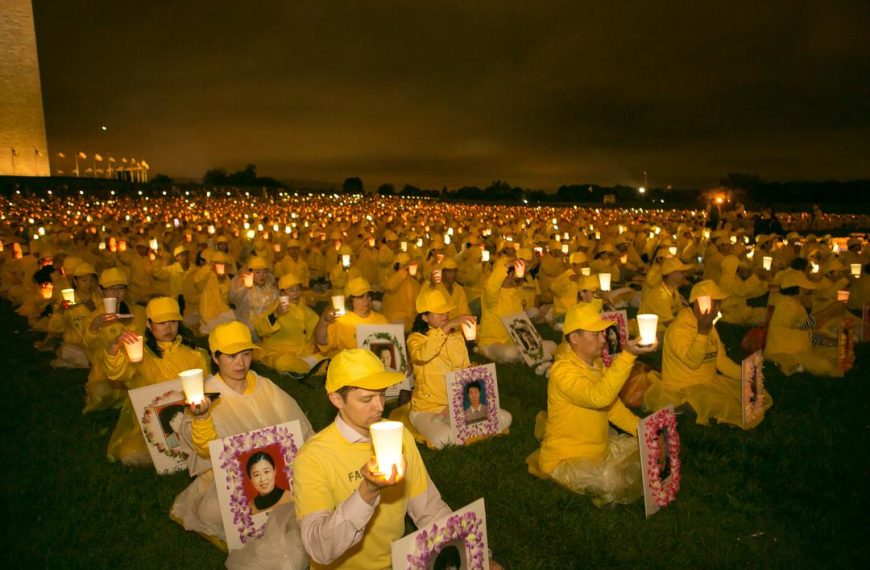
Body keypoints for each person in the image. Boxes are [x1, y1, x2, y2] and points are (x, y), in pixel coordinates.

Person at [292, 349, 455, 569]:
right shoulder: (312, 457)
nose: (379, 406)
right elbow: (319, 548)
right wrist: (367, 491)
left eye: (382, 394)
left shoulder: (399, 435)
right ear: (337, 399)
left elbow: (429, 509)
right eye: (367, 399)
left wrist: (475, 552)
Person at [171, 320, 313, 567]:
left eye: (246, 354)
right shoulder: (205, 395)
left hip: (277, 470)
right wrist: (201, 417)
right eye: (231, 355)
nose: (240, 363)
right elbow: (203, 448)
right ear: (215, 358)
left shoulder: (264, 385)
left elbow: (299, 426)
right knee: (211, 512)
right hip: (234, 477)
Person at [526, 302, 657, 507]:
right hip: (566, 458)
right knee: (614, 481)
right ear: (575, 338)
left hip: (597, 449)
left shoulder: (595, 364)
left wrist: (646, 431)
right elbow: (599, 398)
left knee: (645, 450)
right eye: (595, 334)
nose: (604, 338)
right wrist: (628, 356)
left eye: (603, 333)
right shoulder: (562, 372)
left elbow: (612, 408)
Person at [646, 280, 773, 428]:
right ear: (697, 304)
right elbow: (693, 361)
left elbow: (721, 360)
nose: (717, 308)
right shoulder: (678, 329)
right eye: (714, 303)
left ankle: (699, 407)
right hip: (686, 387)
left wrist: (746, 375)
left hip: (710, 381)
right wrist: (702, 332)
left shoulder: (709, 326)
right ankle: (687, 406)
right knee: (735, 408)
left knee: (757, 396)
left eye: (718, 303)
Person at [104, 297, 210, 465]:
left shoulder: (196, 354)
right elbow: (118, 374)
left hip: (191, 419)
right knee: (131, 454)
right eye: (161, 323)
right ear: (148, 324)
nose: (168, 328)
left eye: (173, 322)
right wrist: (114, 349)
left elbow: (206, 389)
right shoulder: (139, 354)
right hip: (154, 423)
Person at [764, 270, 841, 376]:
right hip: (784, 354)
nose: (807, 291)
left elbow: (806, 334)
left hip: (796, 351)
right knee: (824, 365)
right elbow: (804, 325)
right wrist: (830, 310)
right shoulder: (785, 305)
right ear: (798, 289)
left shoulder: (793, 304)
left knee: (834, 355)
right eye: (805, 289)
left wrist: (828, 342)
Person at [255, 273, 324, 375]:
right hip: (282, 351)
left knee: (330, 353)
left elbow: (317, 330)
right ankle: (313, 367)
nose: (295, 293)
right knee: (282, 362)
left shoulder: (306, 310)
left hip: (306, 351)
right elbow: (260, 329)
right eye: (291, 290)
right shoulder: (275, 308)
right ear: (282, 293)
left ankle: (309, 365)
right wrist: (276, 315)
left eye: (298, 289)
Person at [314, 277, 389, 356]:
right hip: (348, 366)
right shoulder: (340, 321)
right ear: (351, 300)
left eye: (368, 295)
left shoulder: (382, 320)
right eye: (361, 296)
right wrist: (324, 321)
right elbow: (322, 341)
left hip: (373, 366)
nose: (366, 299)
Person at [246, 451, 292, 515]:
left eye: (266, 472)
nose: (263, 479)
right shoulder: (249, 508)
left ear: (274, 471)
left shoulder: (290, 496)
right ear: (250, 479)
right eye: (256, 475)